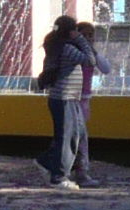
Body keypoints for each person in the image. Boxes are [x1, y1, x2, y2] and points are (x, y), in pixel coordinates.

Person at [36, 15, 110, 189]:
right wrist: (82, 41)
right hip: (64, 98)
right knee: (67, 137)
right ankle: (58, 177)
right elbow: (89, 60)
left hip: (69, 98)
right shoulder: (67, 49)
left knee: (75, 135)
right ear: (71, 32)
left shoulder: (58, 46)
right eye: (76, 31)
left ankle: (47, 162)